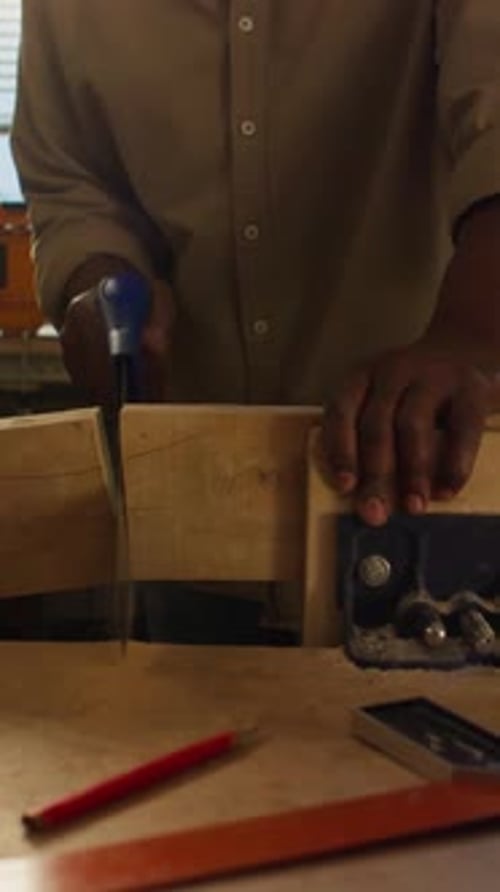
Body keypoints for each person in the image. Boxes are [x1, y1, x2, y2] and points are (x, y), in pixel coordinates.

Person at [8, 1, 500, 641]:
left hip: (430, 501)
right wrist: (101, 282)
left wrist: (468, 336)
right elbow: (73, 181)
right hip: (187, 508)